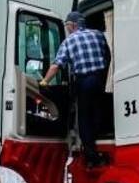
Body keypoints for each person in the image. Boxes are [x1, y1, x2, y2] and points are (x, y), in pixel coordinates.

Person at [39, 11, 111, 166]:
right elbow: (108, 55)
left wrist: (44, 81)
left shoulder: (69, 41)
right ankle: (101, 137)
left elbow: (57, 65)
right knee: (99, 110)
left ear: (72, 25)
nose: (67, 29)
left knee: (84, 118)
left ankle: (91, 156)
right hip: (100, 80)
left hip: (84, 82)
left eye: (67, 26)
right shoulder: (98, 34)